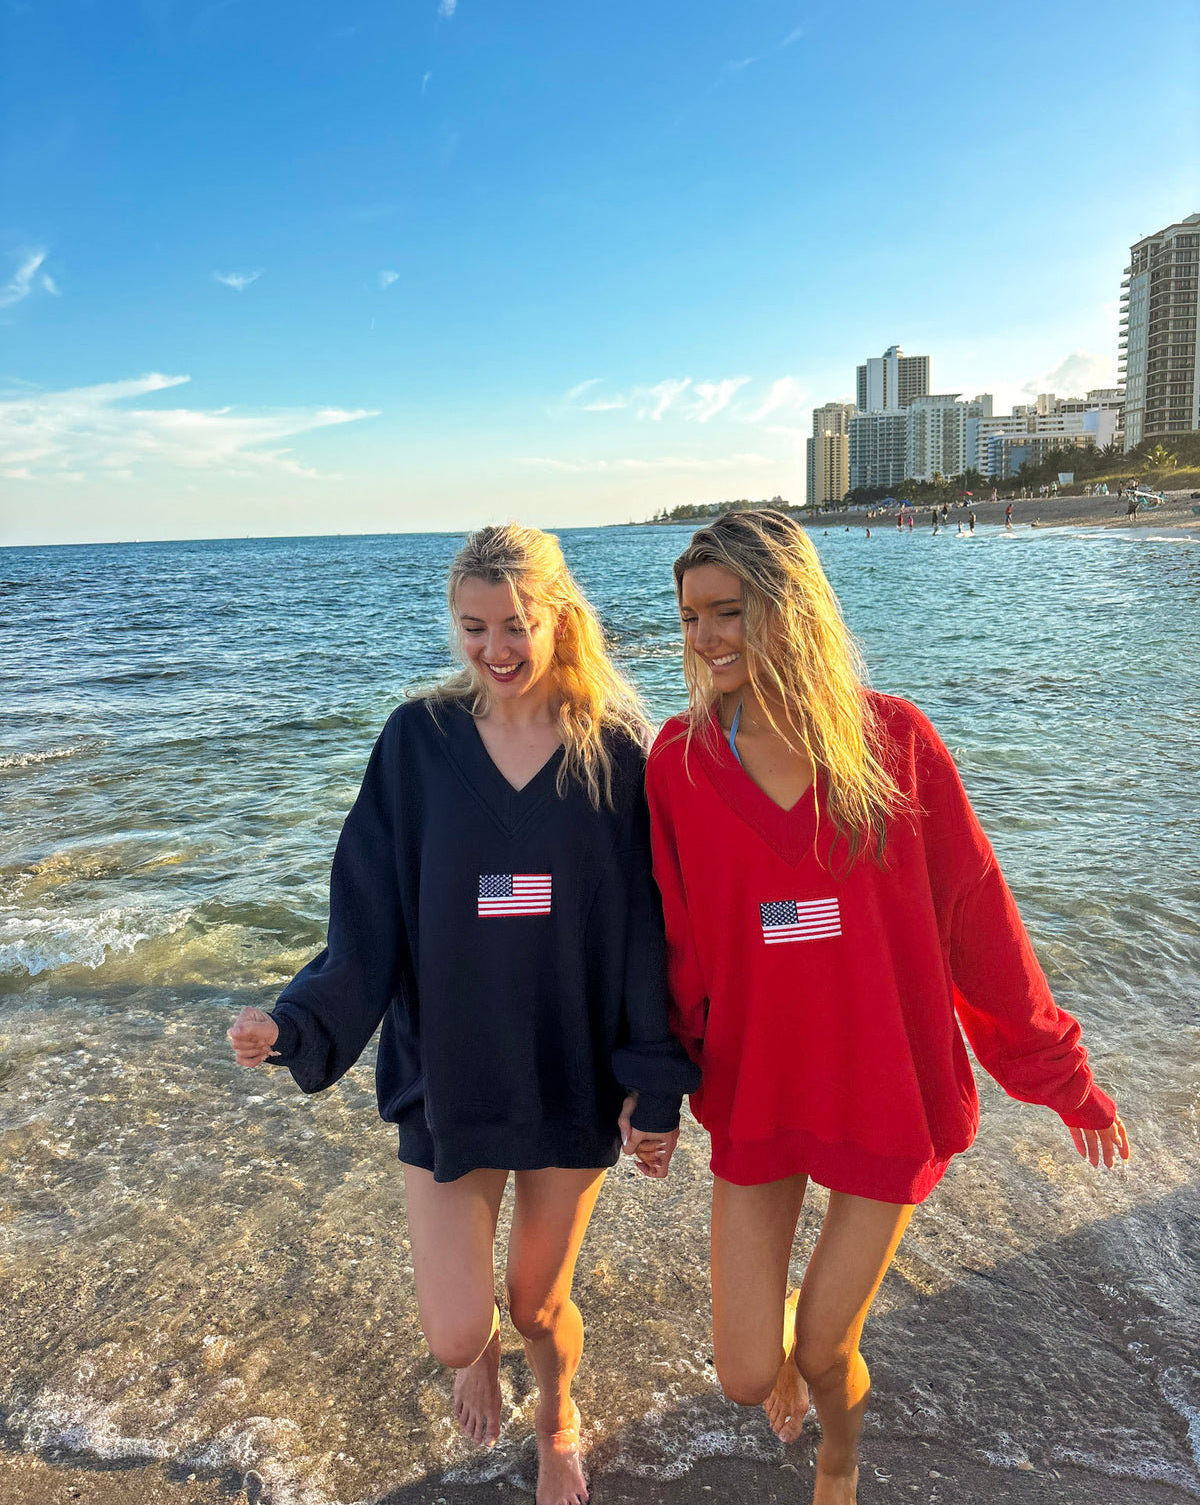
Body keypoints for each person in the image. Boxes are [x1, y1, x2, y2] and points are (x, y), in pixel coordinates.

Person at [645, 510, 1127, 1505]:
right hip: (759, 1089)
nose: (706, 639)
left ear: (789, 609)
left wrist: (1064, 1079)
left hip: (885, 1088)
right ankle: (795, 1378)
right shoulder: (679, 761)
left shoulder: (895, 743)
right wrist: (650, 1088)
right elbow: (675, 946)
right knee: (744, 1370)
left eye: (728, 611)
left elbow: (979, 923)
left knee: (823, 1347)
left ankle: (840, 1454)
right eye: (691, 616)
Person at [227, 523, 697, 1505]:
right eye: (474, 627)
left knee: (537, 1302)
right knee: (456, 1328)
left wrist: (653, 1086)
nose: (496, 648)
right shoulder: (417, 745)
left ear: (559, 619)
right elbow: (366, 922)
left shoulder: (615, 757)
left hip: (570, 1074)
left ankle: (558, 1417)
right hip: (449, 1073)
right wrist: (295, 1024)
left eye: (516, 625)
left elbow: (646, 933)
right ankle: (474, 1356)